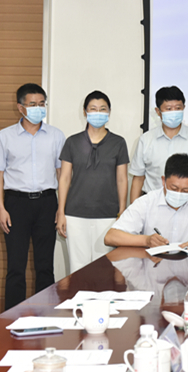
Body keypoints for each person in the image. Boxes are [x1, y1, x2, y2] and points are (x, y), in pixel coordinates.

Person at [0, 83, 66, 309]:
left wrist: (61, 209)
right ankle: (12, 318)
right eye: (32, 104)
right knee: (16, 267)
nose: (38, 108)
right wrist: (1, 209)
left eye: (41, 104)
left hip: (47, 202)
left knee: (45, 266)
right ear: (20, 107)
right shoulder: (5, 136)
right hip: (16, 204)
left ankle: (45, 316)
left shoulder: (56, 135)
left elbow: (62, 175)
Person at [55, 91, 130, 273]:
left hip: (108, 214)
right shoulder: (72, 142)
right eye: (93, 109)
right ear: (85, 112)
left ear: (109, 112)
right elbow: (64, 178)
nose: (98, 113)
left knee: (104, 269)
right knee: (77, 269)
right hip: (75, 214)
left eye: (102, 109)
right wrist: (61, 211)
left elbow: (122, 179)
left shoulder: (118, 142)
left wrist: (122, 210)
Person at [104, 153, 188, 249]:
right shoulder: (146, 202)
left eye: (186, 190)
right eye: (174, 188)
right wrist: (146, 240)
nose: (179, 193)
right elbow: (110, 237)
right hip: (153, 266)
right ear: (163, 180)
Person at [129, 86, 188, 202]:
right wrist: (134, 209)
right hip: (152, 204)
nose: (174, 112)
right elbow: (138, 179)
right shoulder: (145, 140)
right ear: (158, 111)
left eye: (178, 108)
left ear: (184, 108)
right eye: (169, 109)